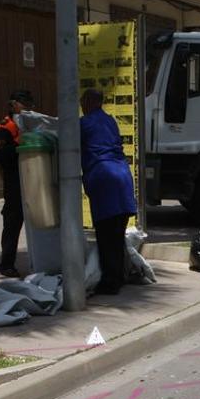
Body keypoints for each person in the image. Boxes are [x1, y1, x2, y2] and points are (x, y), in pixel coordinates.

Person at [80, 89, 138, 295]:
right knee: (116, 234)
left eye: (82, 102)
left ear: (88, 102)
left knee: (106, 236)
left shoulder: (84, 124)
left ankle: (111, 282)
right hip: (122, 178)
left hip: (103, 179)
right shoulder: (110, 121)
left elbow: (69, 147)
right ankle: (119, 276)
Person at [0, 90, 31, 278]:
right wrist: (20, 148)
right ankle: (7, 264)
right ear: (13, 104)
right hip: (14, 181)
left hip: (32, 178)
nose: (27, 107)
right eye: (23, 103)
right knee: (12, 223)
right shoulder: (5, 126)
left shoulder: (31, 122)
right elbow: (0, 155)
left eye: (28, 103)